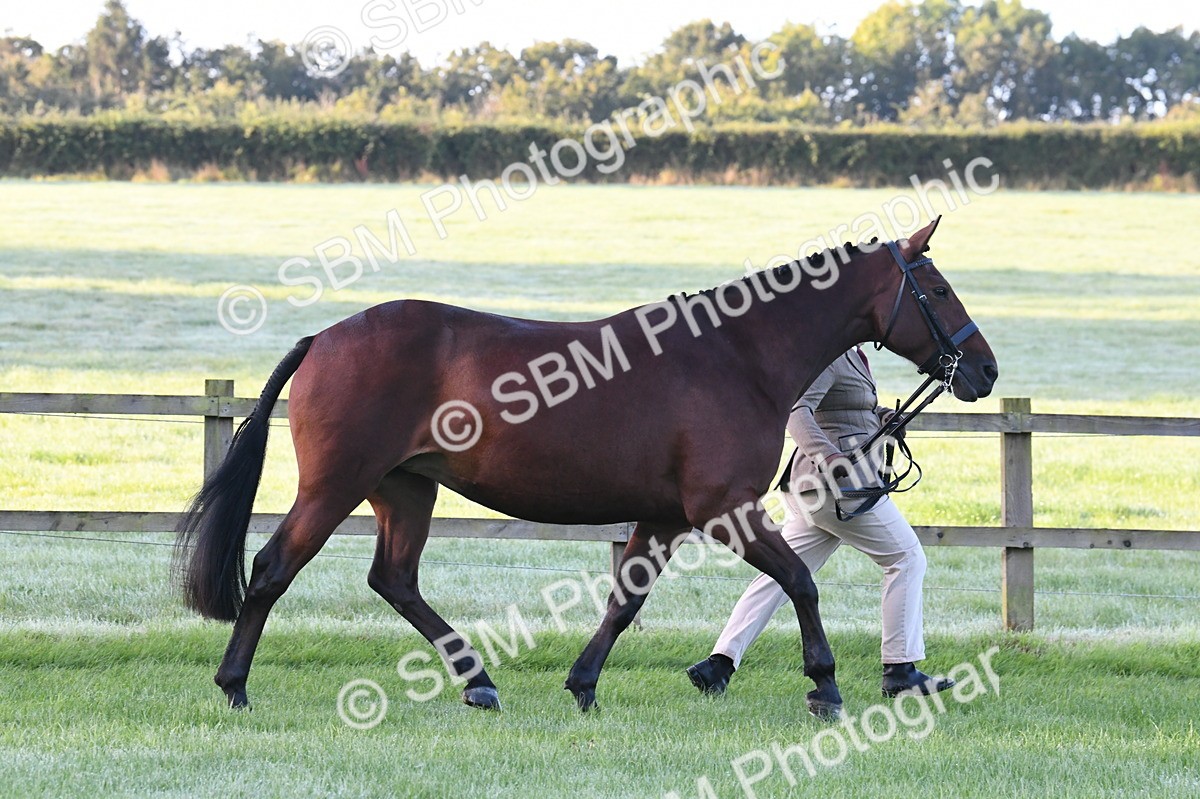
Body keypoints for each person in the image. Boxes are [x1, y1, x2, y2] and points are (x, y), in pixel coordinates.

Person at [686, 346, 955, 698]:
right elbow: (797, 411)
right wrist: (826, 454)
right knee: (906, 558)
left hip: (812, 491)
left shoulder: (851, 354)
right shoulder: (829, 356)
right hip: (837, 489)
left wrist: (882, 418)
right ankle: (900, 670)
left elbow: (846, 411)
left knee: (781, 575)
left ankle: (719, 664)